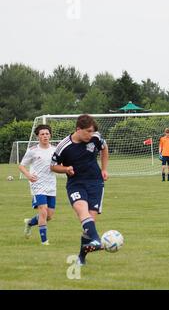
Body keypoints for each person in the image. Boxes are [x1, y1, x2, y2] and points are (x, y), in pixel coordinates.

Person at [51, 114, 109, 266]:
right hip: (76, 184)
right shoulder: (63, 146)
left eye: (92, 131)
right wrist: (66, 169)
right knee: (81, 210)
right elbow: (53, 166)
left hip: (96, 183)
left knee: (89, 222)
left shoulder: (96, 138)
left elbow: (104, 148)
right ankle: (97, 239)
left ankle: (81, 258)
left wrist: (104, 169)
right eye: (88, 131)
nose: (91, 135)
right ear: (78, 129)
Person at [20, 125, 57, 245]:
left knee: (49, 215)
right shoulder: (33, 150)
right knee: (43, 211)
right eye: (42, 134)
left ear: (50, 135)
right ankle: (44, 241)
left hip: (51, 185)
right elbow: (21, 165)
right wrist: (28, 175)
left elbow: (58, 164)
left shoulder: (55, 150)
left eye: (47, 133)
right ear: (38, 136)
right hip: (37, 184)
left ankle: (30, 222)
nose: (45, 136)